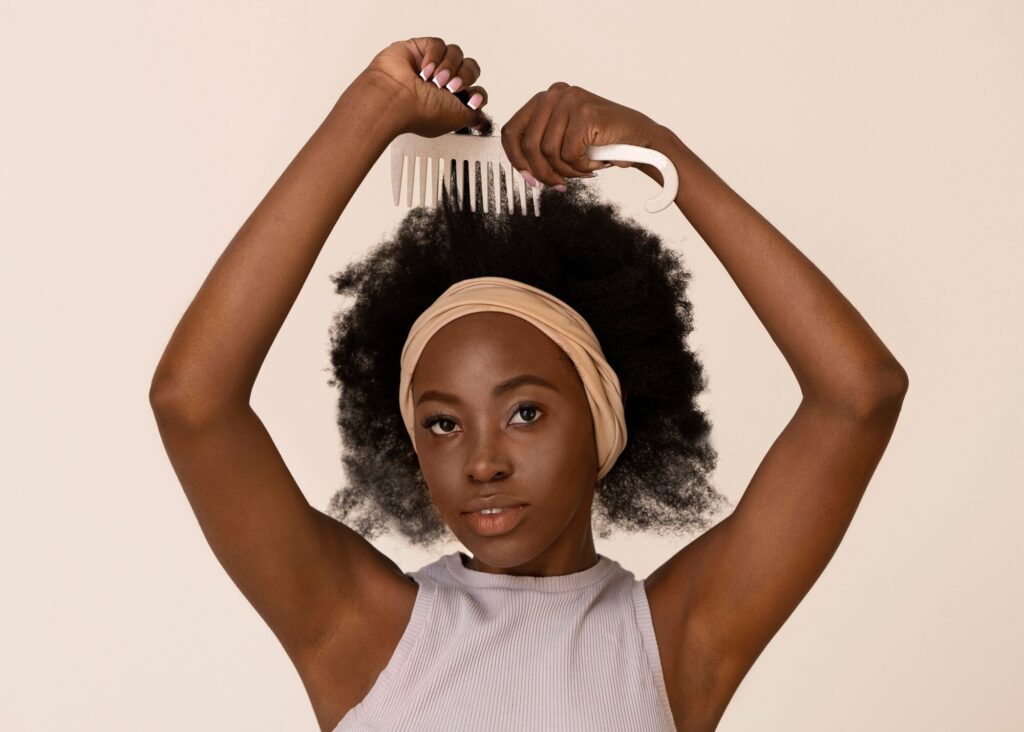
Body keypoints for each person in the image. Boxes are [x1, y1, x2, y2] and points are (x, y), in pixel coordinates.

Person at [149, 36, 909, 732]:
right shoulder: (364, 632)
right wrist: (372, 110)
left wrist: (658, 152)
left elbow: (860, 395)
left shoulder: (676, 642)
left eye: (524, 411)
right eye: (442, 424)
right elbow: (193, 404)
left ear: (603, 422)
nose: (483, 462)